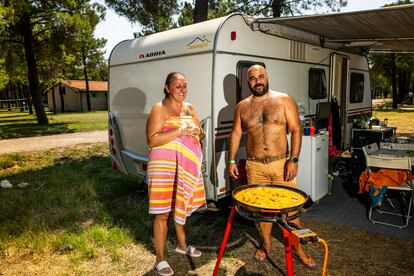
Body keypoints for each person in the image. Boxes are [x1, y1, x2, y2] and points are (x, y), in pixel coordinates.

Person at [228, 65, 315, 268]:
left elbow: (295, 129)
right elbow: (235, 133)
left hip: (281, 165)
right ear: (248, 82)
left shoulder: (284, 99)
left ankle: (298, 248)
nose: (257, 81)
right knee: (263, 211)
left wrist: (294, 159)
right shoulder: (242, 106)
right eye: (252, 78)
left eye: (261, 76)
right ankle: (266, 244)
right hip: (255, 166)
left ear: (267, 76)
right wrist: (231, 160)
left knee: (291, 210)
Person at [146, 72, 207, 276]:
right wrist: (180, 131)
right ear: (167, 87)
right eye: (177, 85)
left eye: (185, 85)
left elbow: (200, 132)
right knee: (163, 213)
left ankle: (182, 245)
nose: (182, 89)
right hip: (163, 167)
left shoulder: (189, 108)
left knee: (182, 205)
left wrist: (196, 132)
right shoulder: (159, 108)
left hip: (185, 167)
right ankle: (160, 259)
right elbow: (152, 140)